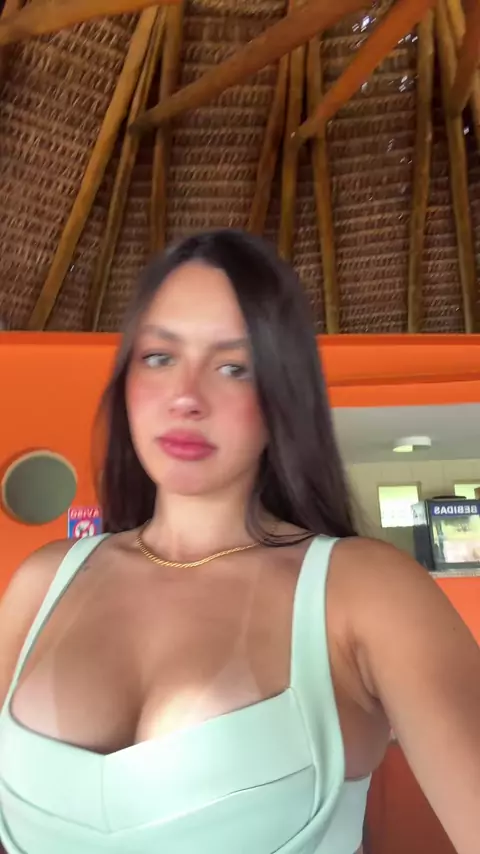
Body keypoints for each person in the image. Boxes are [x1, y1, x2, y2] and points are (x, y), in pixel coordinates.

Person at [0, 229, 479, 854]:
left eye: (234, 367)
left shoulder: (364, 591)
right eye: (159, 357)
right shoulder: (43, 582)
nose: (186, 398)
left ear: (282, 394)